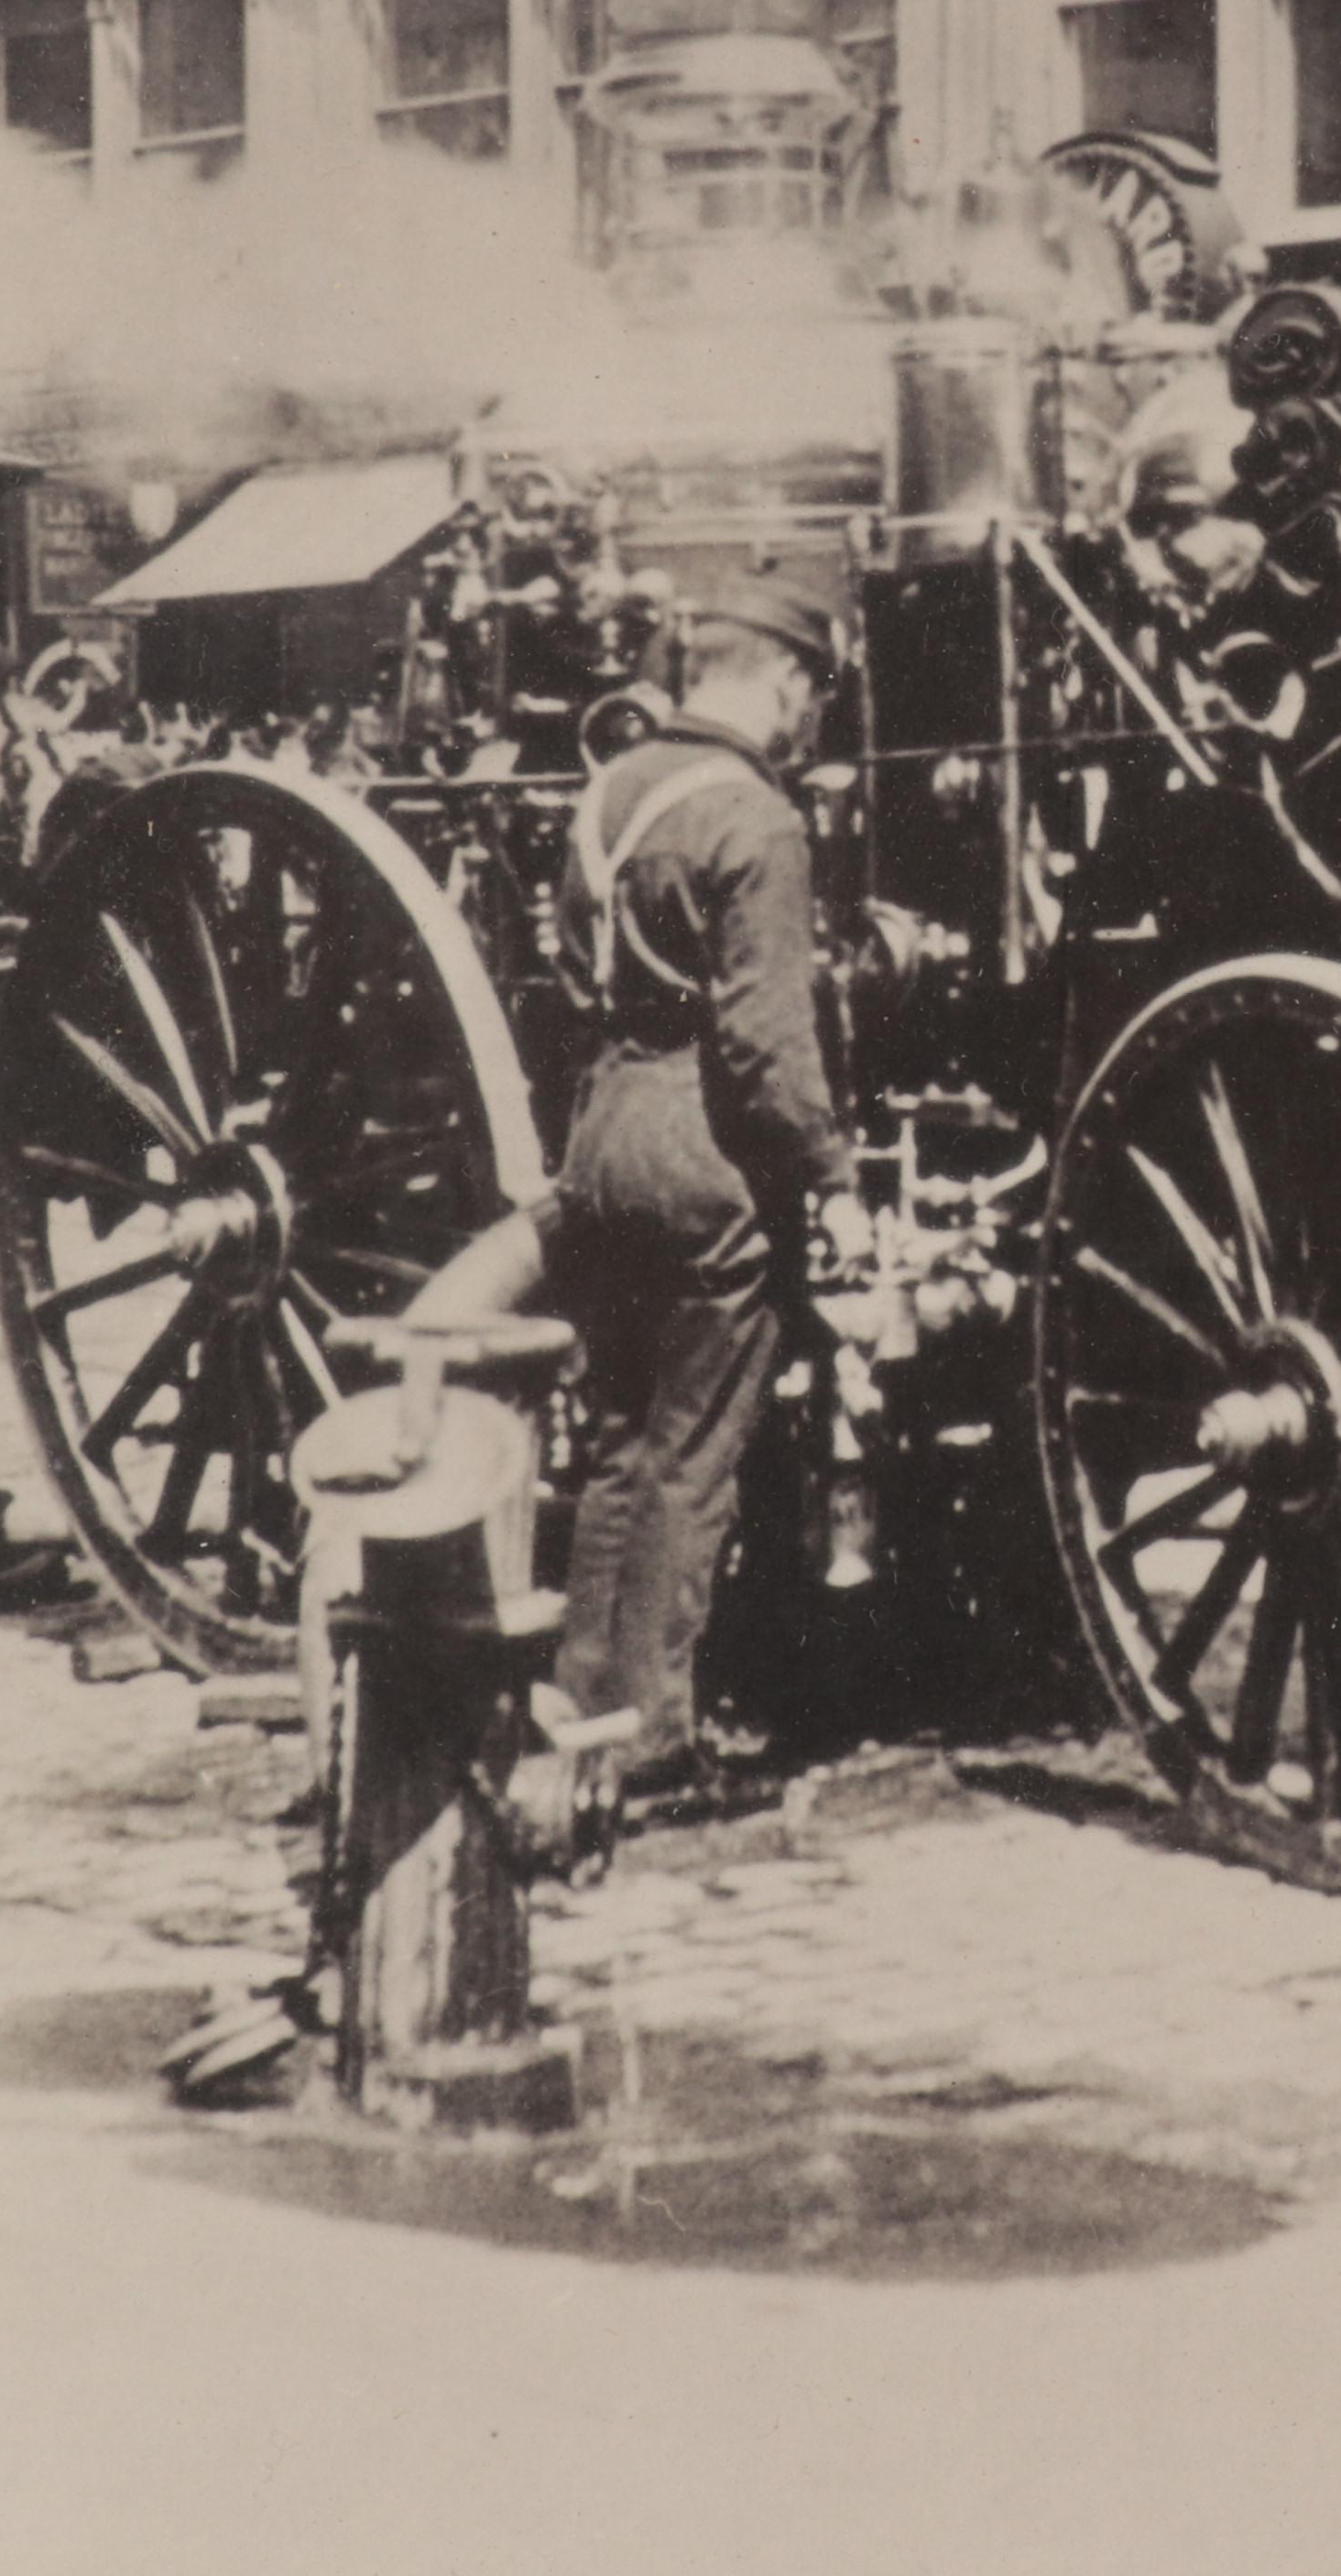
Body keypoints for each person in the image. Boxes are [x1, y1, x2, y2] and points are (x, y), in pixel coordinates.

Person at [541, 572, 873, 1785]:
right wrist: (833, 1175)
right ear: (781, 679)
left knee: (618, 1445)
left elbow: (575, 976)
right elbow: (766, 1047)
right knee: (693, 1457)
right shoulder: (756, 819)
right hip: (706, 1151)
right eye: (807, 698)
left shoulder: (610, 793)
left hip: (605, 1133)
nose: (804, 723)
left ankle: (582, 1710)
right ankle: (659, 1738)